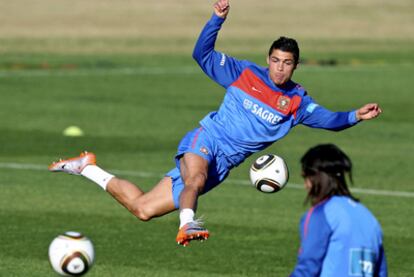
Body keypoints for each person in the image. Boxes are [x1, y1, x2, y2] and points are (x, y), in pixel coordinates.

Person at [49, 0, 382, 247]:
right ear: (268, 60)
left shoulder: (296, 103)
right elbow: (202, 55)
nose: (280, 68)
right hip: (206, 139)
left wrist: (355, 116)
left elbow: (330, 120)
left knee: (143, 209)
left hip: (223, 165)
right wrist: (216, 20)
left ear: (296, 66)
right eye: (276, 61)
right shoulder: (244, 74)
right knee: (195, 175)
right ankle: (188, 224)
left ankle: (87, 167)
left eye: (287, 63)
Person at [290, 144, 387, 277]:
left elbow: (307, 268)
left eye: (305, 177)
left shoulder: (321, 214)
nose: (305, 185)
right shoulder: (369, 217)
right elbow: (381, 272)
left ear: (315, 177)